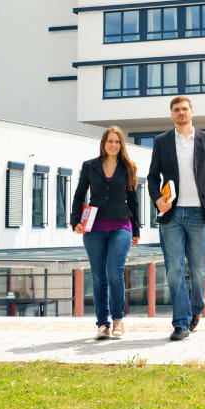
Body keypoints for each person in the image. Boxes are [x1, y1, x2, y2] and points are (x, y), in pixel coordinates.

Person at [148, 96, 205, 342]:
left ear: (192, 112)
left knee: (199, 269)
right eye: (176, 110)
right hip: (171, 214)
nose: (181, 113)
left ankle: (196, 308)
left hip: (197, 212)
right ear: (172, 114)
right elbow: (152, 176)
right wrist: (156, 199)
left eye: (185, 109)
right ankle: (180, 323)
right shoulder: (161, 142)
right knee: (174, 269)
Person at [71, 126, 141, 340]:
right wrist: (75, 222)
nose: (113, 144)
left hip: (121, 226)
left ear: (121, 145)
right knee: (99, 277)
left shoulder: (128, 167)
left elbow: (133, 200)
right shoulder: (90, 166)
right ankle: (103, 324)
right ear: (103, 143)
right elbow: (79, 195)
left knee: (114, 272)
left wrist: (136, 229)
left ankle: (118, 319)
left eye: (117, 141)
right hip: (94, 228)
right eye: (110, 141)